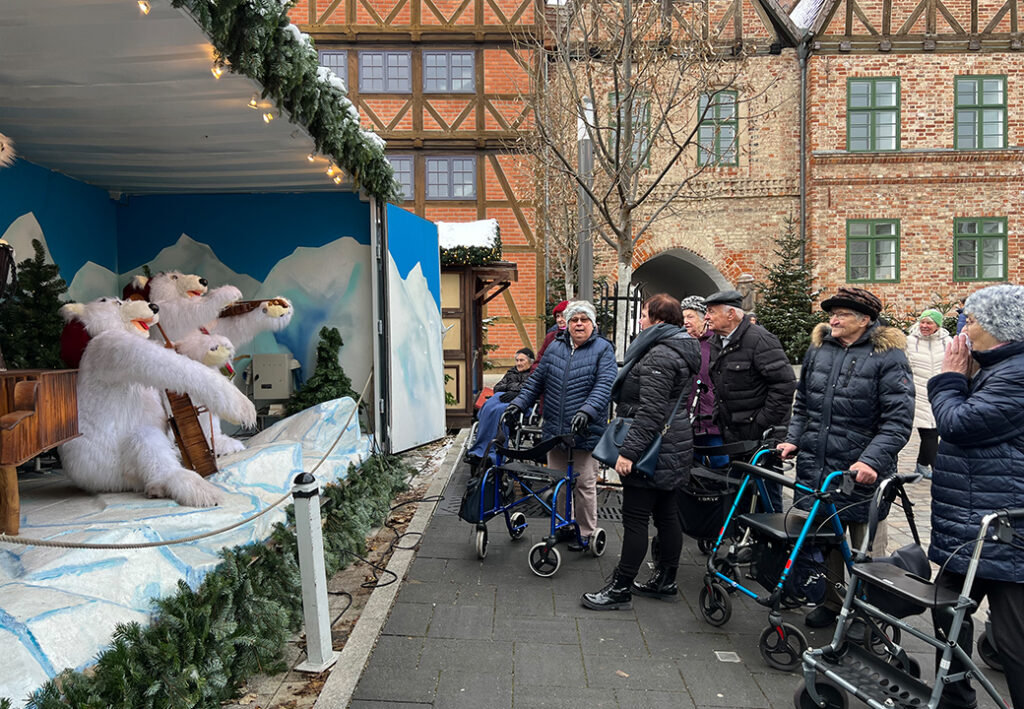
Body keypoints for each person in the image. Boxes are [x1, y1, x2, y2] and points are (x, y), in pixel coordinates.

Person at [777, 286, 914, 628]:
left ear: (865, 320)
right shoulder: (819, 349)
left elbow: (897, 420)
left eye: (842, 314)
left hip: (861, 471)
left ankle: (871, 613)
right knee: (827, 539)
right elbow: (804, 403)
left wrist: (871, 461)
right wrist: (793, 439)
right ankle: (833, 601)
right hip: (818, 466)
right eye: (831, 314)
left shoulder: (888, 356)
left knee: (866, 546)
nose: (833, 320)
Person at [926, 284, 1024, 709]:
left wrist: (948, 377)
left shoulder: (1018, 373)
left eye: (972, 319)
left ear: (1000, 327)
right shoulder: (990, 367)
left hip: (1006, 532)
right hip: (971, 525)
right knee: (947, 612)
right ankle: (954, 699)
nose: (964, 327)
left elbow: (959, 424)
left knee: (1013, 639)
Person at [581, 294, 700, 610]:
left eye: (644, 315)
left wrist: (629, 454)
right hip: (673, 444)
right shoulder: (680, 347)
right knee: (667, 514)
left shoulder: (660, 354)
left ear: (659, 320)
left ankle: (620, 589)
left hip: (653, 447)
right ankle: (666, 581)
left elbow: (651, 412)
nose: (640, 320)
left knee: (635, 519)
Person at [504, 300, 616, 550]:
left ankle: (585, 533)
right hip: (555, 429)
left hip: (585, 430)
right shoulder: (555, 347)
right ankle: (565, 525)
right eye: (574, 319)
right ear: (567, 323)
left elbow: (605, 384)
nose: (578, 324)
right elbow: (536, 382)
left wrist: (586, 411)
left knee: (584, 483)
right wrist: (517, 405)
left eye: (584, 319)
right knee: (559, 482)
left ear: (593, 323)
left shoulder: (603, 349)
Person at [705, 289, 796, 512]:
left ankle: (773, 544)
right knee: (741, 494)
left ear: (731, 314)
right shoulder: (718, 341)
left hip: (761, 437)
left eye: (711, 312)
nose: (706, 317)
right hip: (733, 434)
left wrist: (761, 422)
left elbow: (784, 385)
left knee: (767, 495)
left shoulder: (760, 340)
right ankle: (744, 539)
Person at [465, 348, 535, 471]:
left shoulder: (534, 373)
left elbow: (532, 389)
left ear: (530, 361)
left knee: (499, 411)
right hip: (503, 397)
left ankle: (492, 453)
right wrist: (512, 388)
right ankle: (479, 450)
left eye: (522, 360)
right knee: (488, 406)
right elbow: (498, 387)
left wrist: (515, 392)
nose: (518, 363)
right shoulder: (511, 372)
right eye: (517, 360)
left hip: (520, 403)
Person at [680, 295, 728, 468]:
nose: (685, 321)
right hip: (689, 422)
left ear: (703, 318)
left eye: (690, 316)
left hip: (713, 422)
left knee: (720, 468)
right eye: (683, 317)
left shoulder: (716, 343)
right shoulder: (683, 343)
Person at [905, 309, 950, 479]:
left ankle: (922, 466)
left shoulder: (948, 342)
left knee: (934, 430)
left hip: (939, 393)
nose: (924, 326)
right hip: (918, 392)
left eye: (929, 323)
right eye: (922, 322)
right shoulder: (909, 342)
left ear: (937, 325)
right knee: (929, 431)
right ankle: (939, 470)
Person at [535, 300, 568, 364]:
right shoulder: (550, 337)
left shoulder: (577, 336)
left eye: (563, 316)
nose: (559, 320)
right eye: (557, 316)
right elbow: (540, 359)